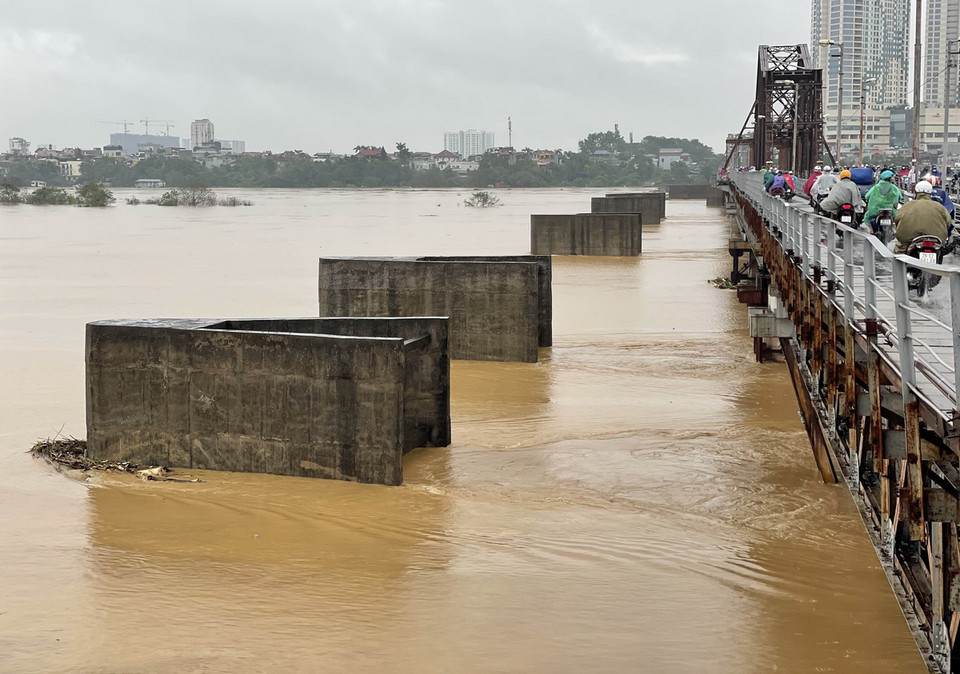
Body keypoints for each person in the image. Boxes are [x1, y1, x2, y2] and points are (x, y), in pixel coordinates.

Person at [893, 180, 951, 253]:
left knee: (899, 253)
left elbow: (897, 219)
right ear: (930, 193)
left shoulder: (907, 205)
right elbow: (948, 222)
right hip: (936, 239)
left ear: (916, 192)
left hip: (908, 239)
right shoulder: (940, 207)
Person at [863, 170, 902, 235]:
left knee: (869, 218)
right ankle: (893, 229)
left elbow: (867, 196)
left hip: (876, 210)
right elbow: (900, 197)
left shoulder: (876, 187)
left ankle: (872, 230)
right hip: (890, 211)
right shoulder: (894, 188)